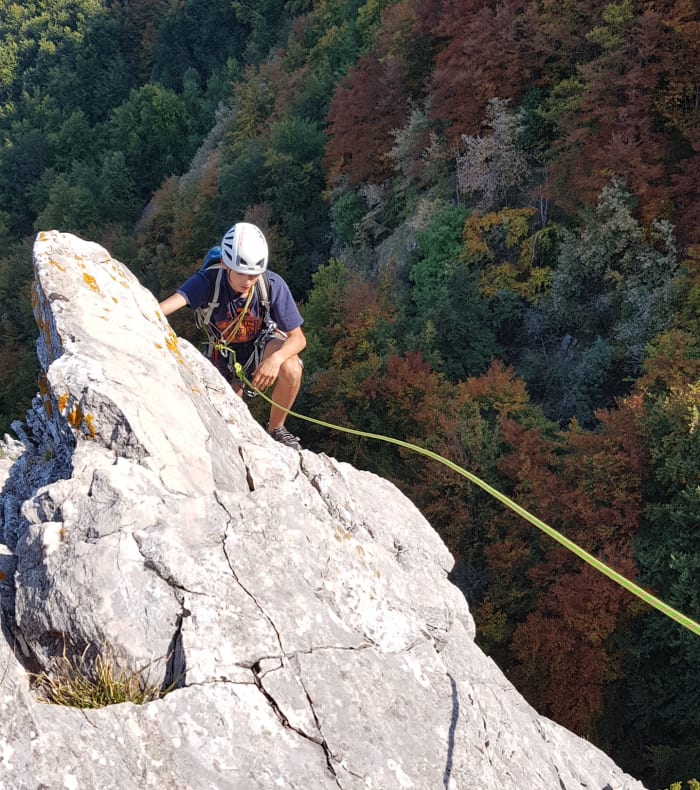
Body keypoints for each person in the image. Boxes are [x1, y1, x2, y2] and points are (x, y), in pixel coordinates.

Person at [159, 222, 306, 449]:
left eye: (254, 274)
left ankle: (276, 429)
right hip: (224, 352)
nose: (248, 281)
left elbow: (298, 338)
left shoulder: (271, 285)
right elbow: (170, 305)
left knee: (292, 368)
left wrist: (275, 360)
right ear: (226, 264)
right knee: (231, 422)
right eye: (242, 273)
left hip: (261, 343)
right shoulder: (208, 281)